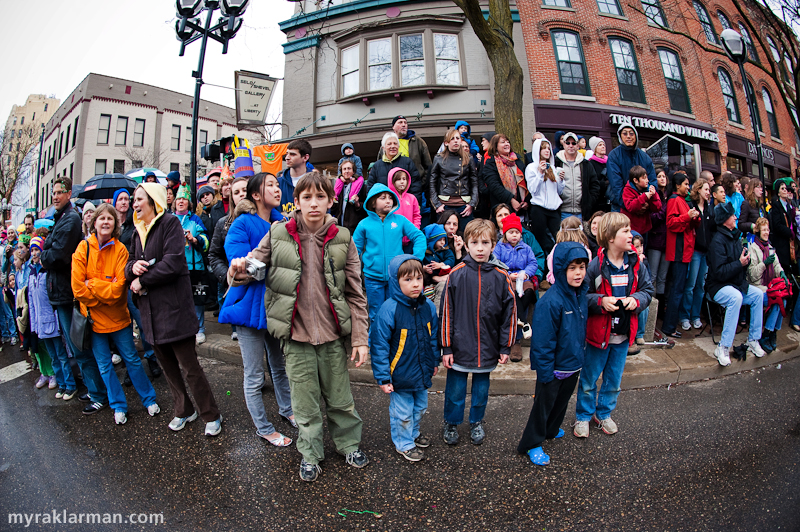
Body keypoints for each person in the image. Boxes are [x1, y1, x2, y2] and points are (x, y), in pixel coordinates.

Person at [229, 171, 371, 482]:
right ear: (297, 201)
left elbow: (356, 293)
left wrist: (360, 338)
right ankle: (310, 453)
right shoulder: (278, 232)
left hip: (333, 336)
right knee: (304, 403)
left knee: (340, 399)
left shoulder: (343, 237)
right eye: (307, 197)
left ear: (331, 201)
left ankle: (348, 444)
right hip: (295, 336)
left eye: (321, 196)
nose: (314, 203)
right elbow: (249, 269)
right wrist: (237, 269)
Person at [126, 183, 223, 436]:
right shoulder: (138, 231)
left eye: (139, 200)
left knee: (190, 368)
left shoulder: (169, 223)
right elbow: (129, 262)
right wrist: (133, 269)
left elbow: (172, 263)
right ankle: (184, 410)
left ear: (153, 201)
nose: (135, 205)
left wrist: (142, 279)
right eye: (134, 200)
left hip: (175, 311)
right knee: (168, 368)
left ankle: (211, 414)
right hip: (151, 314)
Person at [219, 173, 294, 446]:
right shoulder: (241, 224)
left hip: (276, 307)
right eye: (270, 185)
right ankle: (264, 427)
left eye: (277, 184)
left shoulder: (283, 223)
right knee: (254, 374)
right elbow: (240, 265)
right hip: (248, 309)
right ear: (256, 195)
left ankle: (288, 410)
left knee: (280, 366)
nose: (277, 188)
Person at [71, 204, 160, 426]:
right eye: (101, 218)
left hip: (119, 318)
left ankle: (149, 399)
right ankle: (118, 405)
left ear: (115, 224)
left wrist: (93, 285)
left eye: (109, 219)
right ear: (94, 223)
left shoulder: (121, 250)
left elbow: (118, 290)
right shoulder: (82, 248)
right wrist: (102, 291)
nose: (105, 222)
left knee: (132, 359)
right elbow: (77, 288)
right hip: (93, 320)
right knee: (104, 365)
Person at [574, 213, 653, 437]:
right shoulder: (595, 266)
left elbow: (647, 290)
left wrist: (636, 300)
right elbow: (582, 296)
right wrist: (600, 302)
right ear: (610, 237)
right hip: (598, 336)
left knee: (613, 380)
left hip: (623, 335)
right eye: (626, 231)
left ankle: (604, 413)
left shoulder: (636, 264)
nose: (632, 235)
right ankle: (583, 416)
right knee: (589, 379)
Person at [440, 219, 516, 446]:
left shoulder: (502, 276)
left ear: (494, 244)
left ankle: (476, 421)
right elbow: (446, 313)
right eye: (474, 242)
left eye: (485, 242)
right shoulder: (457, 274)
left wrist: (505, 346)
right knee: (455, 390)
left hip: (488, 347)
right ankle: (451, 423)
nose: (480, 248)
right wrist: (446, 347)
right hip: (460, 346)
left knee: (481, 390)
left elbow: (509, 314)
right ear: (466, 244)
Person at [40, 177, 108, 414]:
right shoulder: (60, 218)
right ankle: (93, 388)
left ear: (69, 194)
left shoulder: (70, 219)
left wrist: (44, 254)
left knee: (79, 347)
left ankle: (99, 394)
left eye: (59, 192)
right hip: (59, 294)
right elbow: (48, 247)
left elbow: (55, 254)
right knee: (76, 347)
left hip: (69, 295)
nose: (55, 197)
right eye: (53, 193)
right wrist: (47, 249)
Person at [517, 242, 589, 465]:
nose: (578, 273)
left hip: (573, 363)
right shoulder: (551, 301)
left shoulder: (580, 294)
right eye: (572, 268)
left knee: (561, 403)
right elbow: (543, 341)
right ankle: (532, 442)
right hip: (554, 368)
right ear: (560, 269)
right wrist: (546, 371)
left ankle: (550, 428)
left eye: (582, 267)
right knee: (543, 406)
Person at [371, 255, 440, 462]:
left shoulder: (428, 306)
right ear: (395, 281)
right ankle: (404, 443)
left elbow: (433, 336)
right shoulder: (389, 309)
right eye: (407, 280)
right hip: (399, 373)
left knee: (420, 407)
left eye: (418, 278)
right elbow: (379, 345)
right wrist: (383, 377)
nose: (415, 284)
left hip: (421, 369)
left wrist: (434, 360)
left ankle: (413, 433)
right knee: (402, 411)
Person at [353, 184, 425, 330]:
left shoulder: (400, 221)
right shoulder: (363, 224)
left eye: (390, 197)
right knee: (376, 313)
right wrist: (353, 271)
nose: (388, 201)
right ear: (372, 202)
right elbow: (354, 250)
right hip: (373, 278)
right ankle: (376, 345)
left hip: (396, 277)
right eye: (383, 198)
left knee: (397, 311)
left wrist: (416, 258)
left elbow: (418, 236)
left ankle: (395, 343)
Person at [706, 202, 766, 365]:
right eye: (732, 215)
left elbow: (737, 265)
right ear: (725, 219)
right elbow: (718, 272)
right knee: (736, 298)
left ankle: (754, 340)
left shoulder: (735, 236)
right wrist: (739, 263)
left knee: (758, 295)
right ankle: (723, 347)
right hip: (717, 287)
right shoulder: (717, 241)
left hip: (735, 283)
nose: (736, 217)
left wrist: (746, 260)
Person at [493, 213, 538, 362]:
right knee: (512, 295)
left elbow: (533, 263)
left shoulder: (525, 248)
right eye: (511, 232)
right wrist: (507, 274)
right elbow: (495, 262)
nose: (514, 235)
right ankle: (516, 338)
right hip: (507, 279)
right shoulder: (500, 247)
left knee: (529, 291)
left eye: (517, 232)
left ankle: (519, 320)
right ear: (505, 233)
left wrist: (526, 274)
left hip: (522, 278)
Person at [29, 235, 71, 398]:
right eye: (32, 250)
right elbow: (32, 304)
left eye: (36, 250)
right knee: (53, 357)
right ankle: (61, 384)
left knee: (61, 355)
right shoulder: (32, 275)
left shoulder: (48, 273)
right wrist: (34, 327)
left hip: (53, 323)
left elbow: (54, 299)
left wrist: (59, 323)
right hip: (41, 325)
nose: (34, 253)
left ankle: (69, 384)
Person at [661, 173, 701, 338]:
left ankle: (670, 325)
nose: (688, 187)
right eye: (686, 184)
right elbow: (671, 223)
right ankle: (669, 327)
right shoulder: (673, 200)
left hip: (684, 251)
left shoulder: (683, 201)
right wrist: (688, 216)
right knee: (676, 290)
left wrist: (694, 218)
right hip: (678, 251)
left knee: (678, 289)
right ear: (677, 185)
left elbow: (688, 223)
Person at [209, 177, 248, 341]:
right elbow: (214, 254)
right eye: (236, 192)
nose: (241, 195)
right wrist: (226, 276)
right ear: (231, 197)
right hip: (235, 285)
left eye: (245, 190)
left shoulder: (266, 219)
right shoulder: (223, 223)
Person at [173, 186, 210, 345]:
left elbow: (206, 241)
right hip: (175, 267)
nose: (181, 202)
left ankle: (199, 329)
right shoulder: (169, 219)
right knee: (178, 299)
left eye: (184, 199)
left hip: (195, 266)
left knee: (197, 299)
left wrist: (194, 239)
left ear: (189, 203)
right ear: (174, 202)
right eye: (179, 199)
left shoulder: (196, 219)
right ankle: (183, 328)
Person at [747, 218, 787, 354]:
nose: (766, 232)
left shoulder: (770, 247)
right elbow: (752, 275)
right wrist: (764, 263)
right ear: (758, 230)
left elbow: (776, 264)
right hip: (757, 287)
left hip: (769, 286)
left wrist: (781, 273)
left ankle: (773, 331)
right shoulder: (753, 248)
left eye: (767, 230)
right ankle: (766, 334)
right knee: (778, 299)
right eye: (764, 230)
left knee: (784, 298)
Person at [679, 178, 713, 331]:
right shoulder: (691, 207)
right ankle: (684, 316)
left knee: (700, 285)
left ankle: (695, 316)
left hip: (706, 252)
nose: (708, 192)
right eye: (706, 189)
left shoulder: (710, 209)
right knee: (690, 285)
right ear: (698, 189)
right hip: (694, 251)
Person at [429, 128, 478, 232]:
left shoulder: (468, 158)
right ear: (446, 143)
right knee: (445, 237)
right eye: (452, 138)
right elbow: (432, 182)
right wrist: (437, 205)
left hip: (464, 205)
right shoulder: (439, 158)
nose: (456, 141)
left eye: (458, 138)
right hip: (445, 204)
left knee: (466, 235)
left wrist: (472, 204)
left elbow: (474, 182)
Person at [606, 123, 657, 212]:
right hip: (621, 206)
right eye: (625, 134)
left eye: (631, 133)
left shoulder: (645, 157)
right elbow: (616, 185)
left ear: (636, 136)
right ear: (620, 136)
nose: (628, 136)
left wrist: (647, 202)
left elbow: (652, 181)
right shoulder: (614, 156)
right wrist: (631, 205)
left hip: (644, 205)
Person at [525, 138, 563, 255]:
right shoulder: (531, 167)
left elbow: (559, 191)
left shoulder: (553, 168)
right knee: (541, 240)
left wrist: (561, 180)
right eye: (543, 148)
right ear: (538, 150)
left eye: (548, 148)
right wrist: (540, 174)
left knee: (559, 238)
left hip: (554, 209)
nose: (547, 151)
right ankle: (544, 267)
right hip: (539, 209)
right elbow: (533, 190)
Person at [368, 132, 423, 212]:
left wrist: (416, 204)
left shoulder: (407, 162)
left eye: (395, 143)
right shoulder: (377, 166)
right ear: (383, 147)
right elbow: (371, 187)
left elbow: (416, 185)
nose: (392, 146)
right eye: (389, 144)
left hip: (405, 207)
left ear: (398, 146)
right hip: (384, 209)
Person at [380, 115, 432, 199]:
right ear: (393, 127)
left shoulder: (418, 142)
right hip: (391, 191)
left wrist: (421, 183)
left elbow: (428, 166)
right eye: (400, 122)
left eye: (405, 123)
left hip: (415, 189)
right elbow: (381, 165)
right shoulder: (387, 143)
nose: (404, 125)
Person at [553, 132, 599, 221]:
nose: (571, 145)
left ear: (578, 146)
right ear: (563, 144)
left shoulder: (586, 164)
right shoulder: (556, 162)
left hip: (581, 213)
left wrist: (589, 202)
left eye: (574, 143)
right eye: (568, 143)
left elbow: (594, 185)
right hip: (561, 212)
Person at [481, 134, 529, 216]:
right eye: (503, 142)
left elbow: (527, 181)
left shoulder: (517, 161)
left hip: (522, 209)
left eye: (508, 142)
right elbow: (494, 185)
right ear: (495, 146)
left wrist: (526, 201)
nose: (507, 144)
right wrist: (511, 199)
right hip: (501, 209)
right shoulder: (490, 164)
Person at [621, 165, 661, 239]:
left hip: (645, 228)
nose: (647, 180)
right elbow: (631, 207)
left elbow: (657, 208)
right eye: (644, 178)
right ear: (636, 180)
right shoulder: (627, 190)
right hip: (632, 229)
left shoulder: (649, 188)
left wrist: (654, 195)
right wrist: (644, 197)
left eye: (647, 177)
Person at [277, 139, 313, 216]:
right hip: (284, 226)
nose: (287, 158)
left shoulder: (316, 181)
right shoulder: (277, 183)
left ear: (305, 157)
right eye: (287, 154)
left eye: (292, 154)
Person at [388, 167, 421, 248]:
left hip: (410, 239)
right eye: (398, 179)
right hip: (393, 240)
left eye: (404, 179)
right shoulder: (388, 198)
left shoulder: (412, 198)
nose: (402, 182)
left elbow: (416, 215)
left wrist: (414, 230)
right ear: (391, 181)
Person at [330, 160, 366, 233]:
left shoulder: (362, 187)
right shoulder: (337, 188)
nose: (346, 171)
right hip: (340, 228)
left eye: (349, 168)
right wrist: (333, 203)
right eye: (344, 169)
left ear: (353, 171)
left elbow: (367, 208)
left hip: (355, 228)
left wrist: (358, 204)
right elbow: (333, 210)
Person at [631, 233, 652, 348]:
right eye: (636, 246)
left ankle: (639, 334)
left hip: (639, 292)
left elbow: (647, 281)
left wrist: (642, 263)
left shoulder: (645, 260)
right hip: (629, 292)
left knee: (644, 306)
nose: (639, 249)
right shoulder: (629, 260)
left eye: (640, 246)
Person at [587, 137, 609, 213]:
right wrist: (605, 183)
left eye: (604, 145)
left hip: (609, 200)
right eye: (600, 145)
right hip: (597, 201)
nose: (603, 146)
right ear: (595, 148)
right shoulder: (590, 164)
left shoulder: (609, 162)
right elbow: (591, 182)